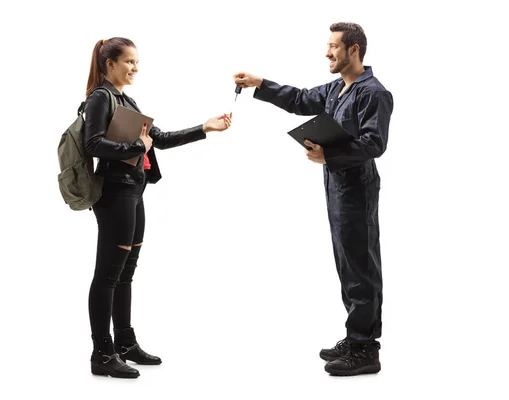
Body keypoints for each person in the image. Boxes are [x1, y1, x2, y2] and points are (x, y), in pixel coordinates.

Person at [233, 22, 393, 376]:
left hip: (357, 190)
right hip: (337, 188)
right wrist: (261, 84)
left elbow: (374, 144)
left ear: (354, 50)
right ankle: (355, 338)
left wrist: (330, 156)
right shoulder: (338, 88)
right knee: (347, 265)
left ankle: (366, 348)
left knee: (361, 267)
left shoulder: (373, 92)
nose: (327, 52)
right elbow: (302, 99)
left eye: (334, 46)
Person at [83, 37, 232, 378]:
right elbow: (94, 144)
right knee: (107, 275)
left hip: (135, 192)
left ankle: (124, 343)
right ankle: (101, 353)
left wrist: (205, 128)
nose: (135, 68)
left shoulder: (127, 100)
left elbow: (158, 139)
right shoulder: (99, 99)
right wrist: (137, 144)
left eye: (137, 63)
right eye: (129, 62)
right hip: (115, 195)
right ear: (110, 64)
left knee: (125, 272)